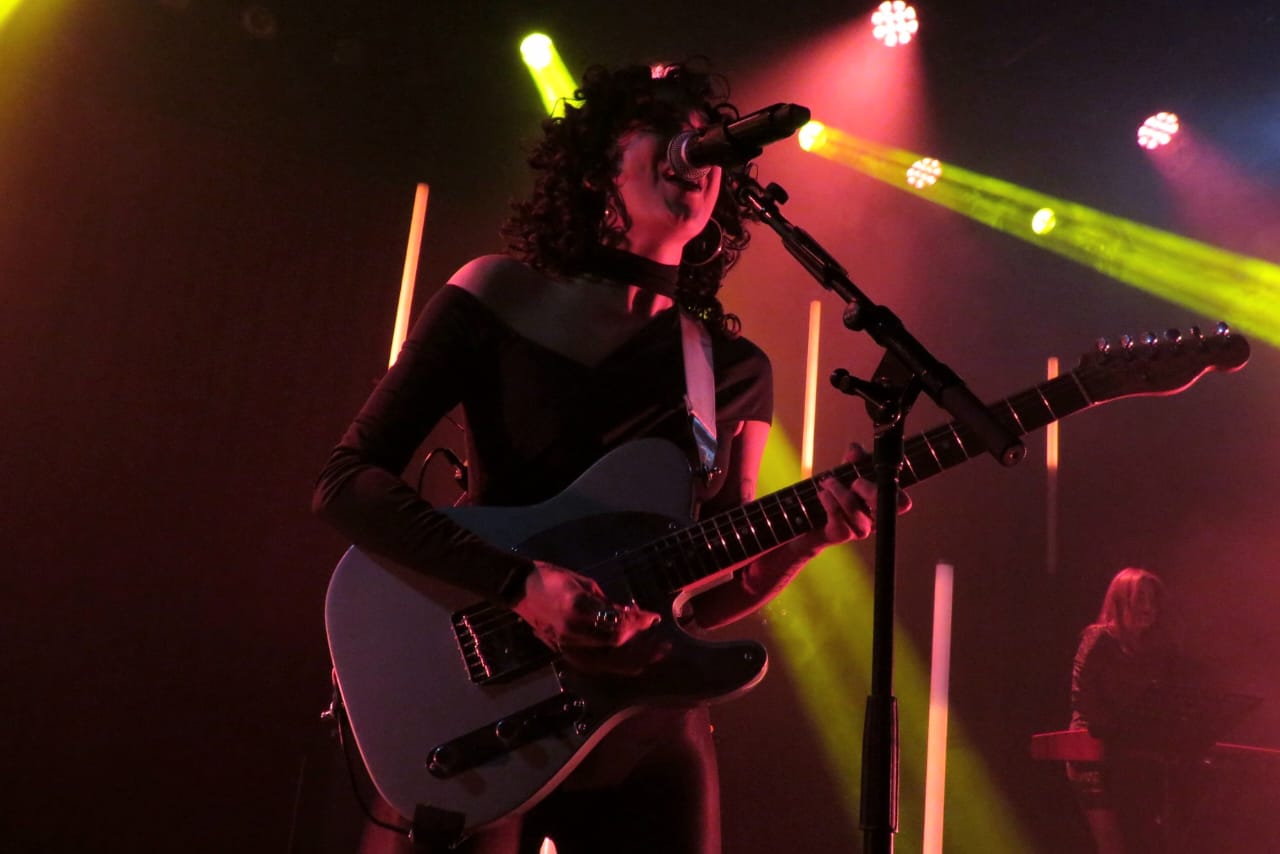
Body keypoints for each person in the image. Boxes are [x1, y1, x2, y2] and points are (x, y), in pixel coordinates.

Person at [313, 60, 899, 854]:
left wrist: (803, 543)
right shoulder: (496, 294)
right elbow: (346, 483)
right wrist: (520, 585)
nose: (692, 146)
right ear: (596, 168)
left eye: (705, 136)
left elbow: (706, 596)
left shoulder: (732, 371)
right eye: (662, 125)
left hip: (646, 736)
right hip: (486, 713)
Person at [1067, 567, 1183, 854]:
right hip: (1093, 752)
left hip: (1132, 754)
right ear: (1121, 602)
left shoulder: (1153, 650)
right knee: (1112, 845)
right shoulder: (1099, 638)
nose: (1149, 607)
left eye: (1153, 600)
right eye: (1140, 599)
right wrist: (1121, 731)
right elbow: (1082, 697)